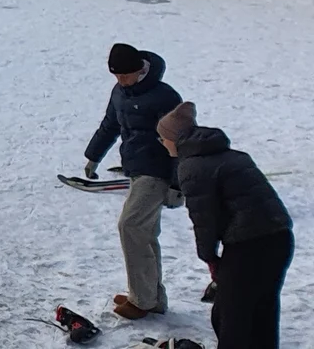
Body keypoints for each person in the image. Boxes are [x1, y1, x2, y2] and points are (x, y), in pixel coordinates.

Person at [161, 102, 294, 348]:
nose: (162, 143)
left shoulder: (191, 167)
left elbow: (204, 219)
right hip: (280, 237)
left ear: (175, 139)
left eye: (163, 138)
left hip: (250, 245)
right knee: (262, 310)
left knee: (231, 317)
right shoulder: (230, 155)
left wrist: (209, 257)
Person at [81, 43, 184, 320]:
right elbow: (110, 124)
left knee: (130, 226)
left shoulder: (164, 96)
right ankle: (152, 297)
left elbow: (180, 139)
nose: (120, 81)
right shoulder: (119, 92)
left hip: (157, 171)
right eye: (115, 76)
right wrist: (93, 157)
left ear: (140, 70)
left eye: (124, 75)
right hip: (135, 169)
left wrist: (177, 184)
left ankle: (142, 299)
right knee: (145, 234)